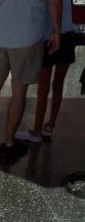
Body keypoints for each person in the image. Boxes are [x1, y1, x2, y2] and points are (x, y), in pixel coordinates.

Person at [0, 0, 61, 157]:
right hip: (28, 36)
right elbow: (54, 2)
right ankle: (8, 143)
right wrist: (57, 31)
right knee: (19, 90)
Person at [15, 0, 77, 143]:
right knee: (58, 85)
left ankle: (36, 131)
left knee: (43, 88)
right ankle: (50, 126)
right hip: (69, 35)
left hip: (49, 36)